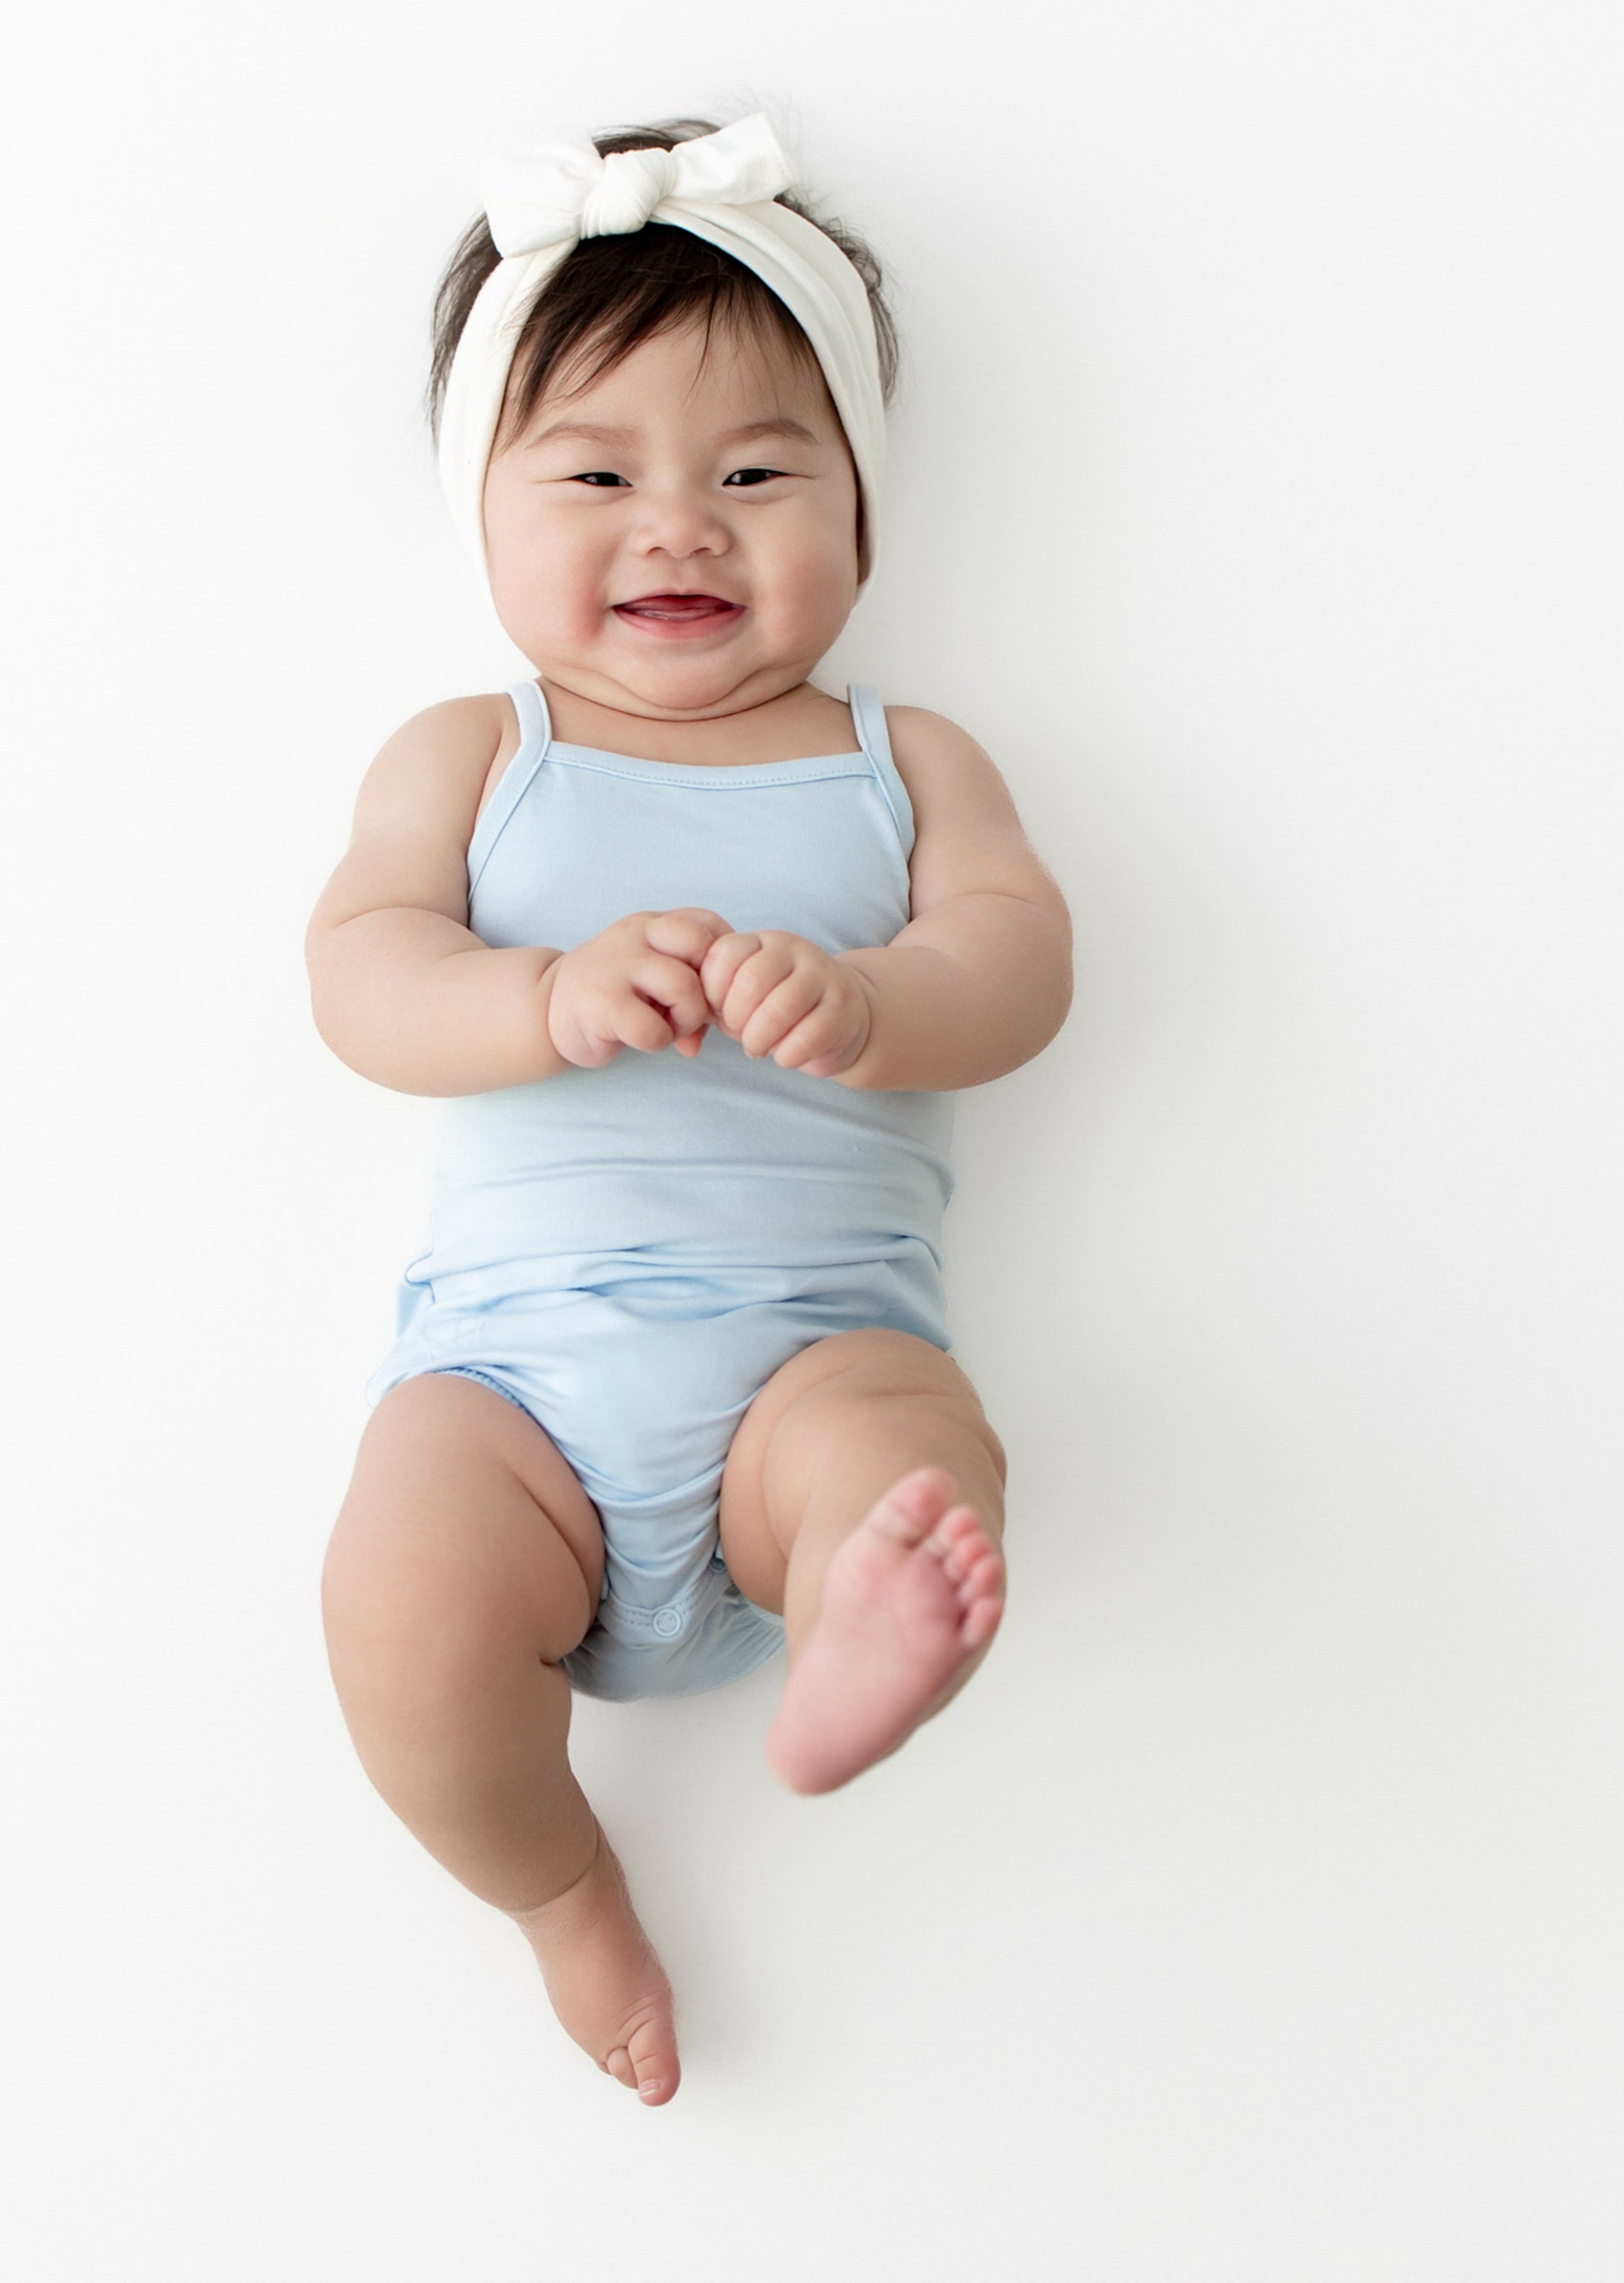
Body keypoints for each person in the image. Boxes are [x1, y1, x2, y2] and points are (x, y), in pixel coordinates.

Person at [305, 114, 1075, 2105]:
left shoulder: (904, 762)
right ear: (481, 509)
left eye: (755, 474)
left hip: (814, 1354)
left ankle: (866, 1616)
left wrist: (878, 999)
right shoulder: (476, 756)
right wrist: (538, 998)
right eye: (596, 476)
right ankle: (563, 1892)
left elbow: (1019, 963)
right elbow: (361, 972)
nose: (680, 529)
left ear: (862, 507)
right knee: (399, 1615)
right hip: (512, 1391)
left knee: (900, 1455)